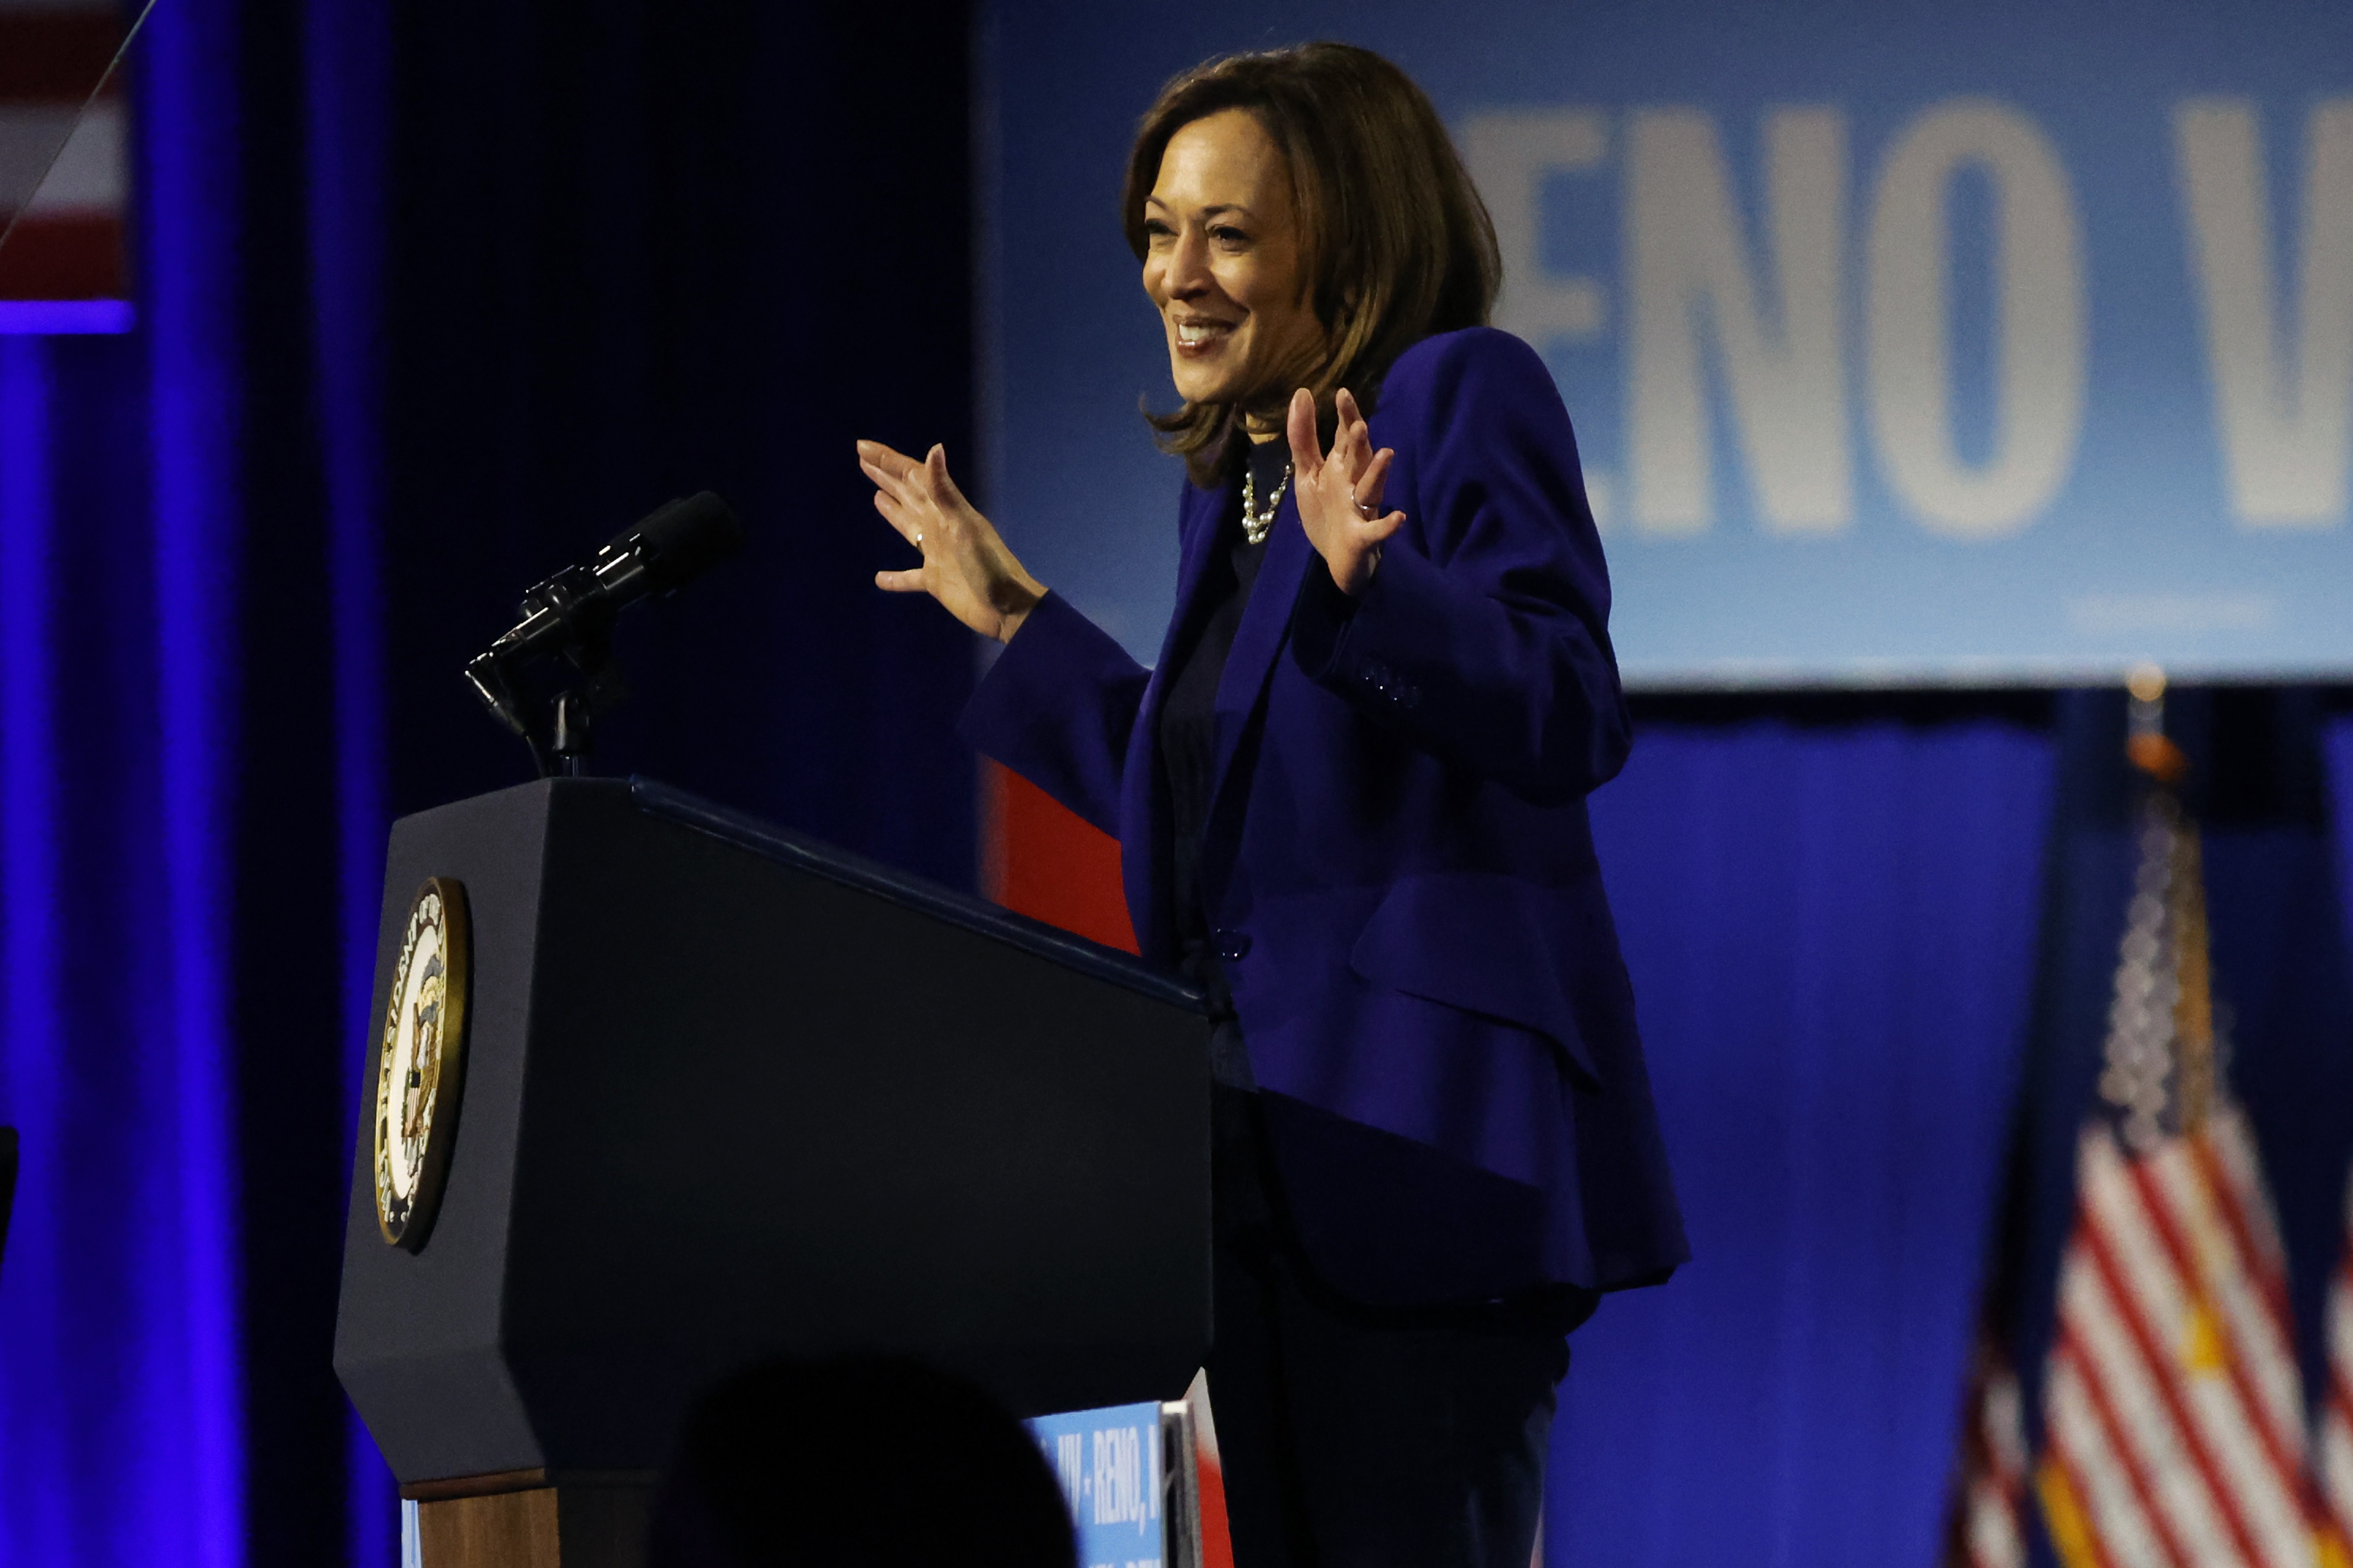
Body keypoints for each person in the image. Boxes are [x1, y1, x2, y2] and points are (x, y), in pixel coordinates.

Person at [855, 41, 1686, 1568]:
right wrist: (1018, 617)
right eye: (1161, 232)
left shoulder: (1452, 396)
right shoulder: (1230, 491)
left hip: (1420, 1163)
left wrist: (1381, 594)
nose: (1178, 273)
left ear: (1348, 246)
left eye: (1227, 234)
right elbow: (1217, 804)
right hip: (1256, 1175)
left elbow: (1569, 705)